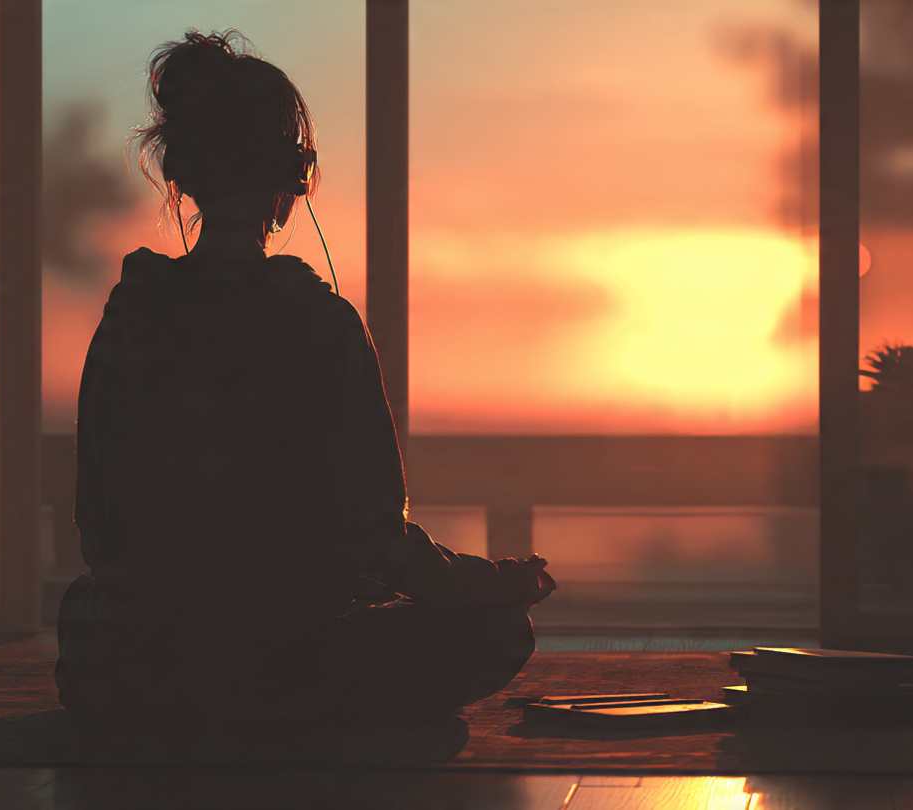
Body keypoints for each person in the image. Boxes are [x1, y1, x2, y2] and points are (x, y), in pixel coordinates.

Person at [54, 29, 554, 729]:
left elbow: (100, 536)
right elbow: (377, 542)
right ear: (292, 178)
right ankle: (270, 708)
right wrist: (489, 584)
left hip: (127, 662)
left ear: (183, 173)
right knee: (496, 633)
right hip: (269, 653)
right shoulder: (319, 326)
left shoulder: (129, 316)